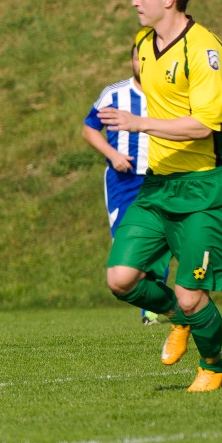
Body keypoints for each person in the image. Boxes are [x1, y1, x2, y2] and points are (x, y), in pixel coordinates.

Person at [99, 0, 222, 392]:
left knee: (192, 295)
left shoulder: (205, 52)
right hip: (157, 185)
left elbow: (203, 126)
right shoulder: (143, 42)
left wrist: (139, 124)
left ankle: (212, 366)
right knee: (121, 279)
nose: (133, 1)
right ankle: (179, 318)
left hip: (202, 188)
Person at [82, 48, 169, 326]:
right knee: (127, 244)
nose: (141, 64)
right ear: (131, 61)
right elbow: (89, 128)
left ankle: (152, 310)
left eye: (146, 58)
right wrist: (113, 155)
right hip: (124, 182)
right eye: (136, 58)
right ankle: (153, 301)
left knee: (159, 242)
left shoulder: (170, 94)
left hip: (161, 178)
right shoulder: (114, 95)